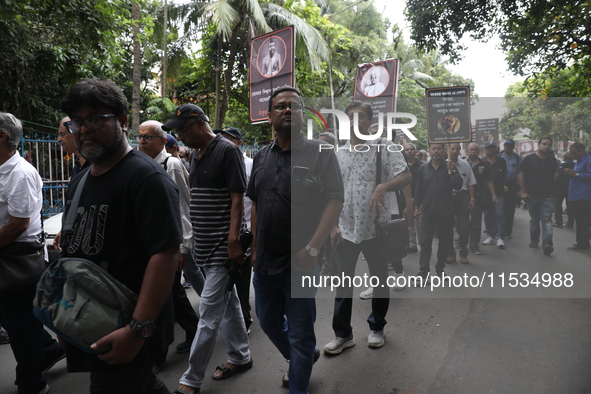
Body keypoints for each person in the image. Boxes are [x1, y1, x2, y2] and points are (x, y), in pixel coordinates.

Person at [59, 79, 182, 393]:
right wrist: (64, 313)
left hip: (127, 326)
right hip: (88, 319)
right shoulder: (81, 179)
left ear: (123, 121)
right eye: (77, 122)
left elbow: (166, 254)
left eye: (95, 119)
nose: (83, 130)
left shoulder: (147, 178)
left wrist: (137, 330)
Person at [248, 87, 343, 392]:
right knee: (267, 321)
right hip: (264, 261)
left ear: (305, 115)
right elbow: (256, 202)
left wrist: (313, 247)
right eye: (280, 106)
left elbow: (335, 200)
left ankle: (299, 377)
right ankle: (303, 357)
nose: (288, 111)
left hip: (301, 260)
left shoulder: (322, 153)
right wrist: (253, 245)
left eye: (295, 106)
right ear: (269, 116)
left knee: (300, 332)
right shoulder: (261, 154)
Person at [161, 104, 252, 394]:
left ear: (200, 123)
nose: (181, 136)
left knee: (209, 315)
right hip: (204, 244)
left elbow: (238, 200)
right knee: (231, 303)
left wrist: (233, 241)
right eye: (177, 131)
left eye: (183, 129)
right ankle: (241, 355)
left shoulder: (227, 151)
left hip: (221, 248)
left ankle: (190, 380)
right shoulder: (196, 155)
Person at [324, 100, 410, 354]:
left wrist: (383, 187)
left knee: (380, 280)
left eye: (361, 117)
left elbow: (405, 175)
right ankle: (343, 334)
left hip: (376, 227)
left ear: (370, 122)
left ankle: (377, 327)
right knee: (343, 283)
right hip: (345, 228)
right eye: (350, 117)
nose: (355, 121)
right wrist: (332, 226)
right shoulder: (338, 154)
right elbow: (331, 194)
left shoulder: (384, 147)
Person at [0, 112, 64, 394]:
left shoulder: (21, 173)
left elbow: (18, 224)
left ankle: (32, 383)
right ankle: (49, 350)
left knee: (20, 325)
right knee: (16, 319)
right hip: (5, 253)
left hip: (17, 258)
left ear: (2, 136)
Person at [138, 120, 198, 358]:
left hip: (169, 241)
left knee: (169, 292)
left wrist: (183, 246)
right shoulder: (143, 163)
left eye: (147, 137)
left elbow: (183, 206)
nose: (141, 141)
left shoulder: (170, 164)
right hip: (151, 241)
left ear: (163, 141)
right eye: (140, 137)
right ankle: (192, 330)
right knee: (171, 291)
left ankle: (169, 344)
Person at [215, 126, 254, 332]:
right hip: (227, 229)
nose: (222, 141)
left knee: (243, 277)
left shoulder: (250, 165)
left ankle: (245, 318)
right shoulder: (220, 163)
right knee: (231, 276)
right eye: (221, 138)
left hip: (248, 228)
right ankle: (237, 317)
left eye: (228, 138)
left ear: (239, 143)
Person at [413, 143, 462, 282]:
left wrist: (452, 172)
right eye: (433, 148)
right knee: (426, 241)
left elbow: (458, 185)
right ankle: (423, 271)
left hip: (445, 211)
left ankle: (440, 269)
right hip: (428, 210)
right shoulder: (423, 168)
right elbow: (419, 189)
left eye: (439, 148)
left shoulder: (449, 166)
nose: (436, 151)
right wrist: (416, 207)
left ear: (443, 151)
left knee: (444, 242)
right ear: (429, 151)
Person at [518, 137, 558, 255]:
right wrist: (523, 191)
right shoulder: (529, 159)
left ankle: (547, 244)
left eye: (549, 145)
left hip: (549, 195)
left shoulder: (552, 160)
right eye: (544, 144)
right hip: (532, 195)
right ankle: (534, 239)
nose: (547, 146)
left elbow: (555, 174)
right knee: (535, 219)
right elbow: (521, 175)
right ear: (538, 145)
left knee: (546, 219)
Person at [447, 143, 476, 264]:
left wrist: (472, 199)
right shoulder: (443, 165)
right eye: (452, 149)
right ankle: (450, 252)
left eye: (456, 149)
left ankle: (463, 252)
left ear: (460, 151)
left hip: (462, 197)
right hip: (447, 197)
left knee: (463, 227)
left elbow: (470, 183)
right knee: (447, 227)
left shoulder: (465, 165)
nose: (454, 151)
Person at [466, 143, 497, 255]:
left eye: (475, 150)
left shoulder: (484, 165)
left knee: (476, 222)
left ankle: (474, 245)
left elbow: (489, 180)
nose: (473, 152)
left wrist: (493, 195)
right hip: (463, 196)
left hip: (478, 196)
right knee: (462, 221)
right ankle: (460, 242)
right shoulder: (463, 164)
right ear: (467, 151)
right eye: (471, 150)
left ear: (479, 152)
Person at [564, 142, 590, 252]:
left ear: (581, 151)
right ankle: (581, 241)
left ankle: (583, 244)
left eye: (574, 153)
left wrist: (576, 174)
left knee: (582, 221)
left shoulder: (588, 160)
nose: (573, 156)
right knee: (579, 220)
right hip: (575, 195)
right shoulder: (578, 161)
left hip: (583, 196)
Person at [482, 142, 507, 249]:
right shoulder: (482, 162)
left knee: (499, 214)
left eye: (492, 148)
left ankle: (499, 237)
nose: (490, 150)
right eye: (488, 148)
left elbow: (504, 175)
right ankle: (490, 235)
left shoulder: (501, 161)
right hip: (485, 194)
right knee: (487, 215)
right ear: (485, 150)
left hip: (499, 192)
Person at [403, 143, 422, 254]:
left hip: (419, 197)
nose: (409, 151)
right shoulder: (402, 166)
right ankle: (412, 245)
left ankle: (422, 244)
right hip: (407, 198)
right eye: (407, 150)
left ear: (415, 152)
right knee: (409, 222)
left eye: (411, 149)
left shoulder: (422, 166)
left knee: (420, 223)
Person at [500, 139, 521, 238]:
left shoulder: (517, 158)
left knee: (510, 209)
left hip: (512, 185)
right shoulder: (499, 157)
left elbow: (521, 174)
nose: (507, 147)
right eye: (506, 145)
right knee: (499, 209)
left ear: (513, 147)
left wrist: (521, 189)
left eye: (509, 146)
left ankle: (507, 232)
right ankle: (499, 230)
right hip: (500, 185)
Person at [554, 151, 575, 229]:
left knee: (558, 203)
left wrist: (554, 185)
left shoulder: (563, 165)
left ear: (565, 157)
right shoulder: (574, 165)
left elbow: (557, 175)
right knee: (570, 205)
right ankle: (570, 223)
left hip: (561, 186)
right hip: (571, 187)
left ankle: (559, 222)